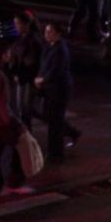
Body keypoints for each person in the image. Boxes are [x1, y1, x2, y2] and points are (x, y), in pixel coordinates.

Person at [0, 41, 33, 196]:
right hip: (1, 121)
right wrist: (14, 123)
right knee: (19, 146)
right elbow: (2, 104)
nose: (10, 56)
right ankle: (13, 180)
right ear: (2, 56)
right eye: (8, 53)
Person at [35, 22, 81, 162]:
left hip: (58, 89)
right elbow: (44, 65)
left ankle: (56, 153)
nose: (47, 34)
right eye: (46, 31)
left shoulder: (60, 50)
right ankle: (70, 135)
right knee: (51, 117)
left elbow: (56, 70)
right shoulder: (49, 47)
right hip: (50, 88)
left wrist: (42, 80)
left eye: (50, 32)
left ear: (58, 33)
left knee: (55, 120)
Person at [7, 11, 43, 129]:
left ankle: (27, 139)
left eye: (18, 23)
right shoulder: (20, 38)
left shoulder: (33, 40)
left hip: (28, 79)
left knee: (26, 110)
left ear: (25, 24)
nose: (16, 26)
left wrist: (18, 71)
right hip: (21, 78)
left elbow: (31, 62)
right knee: (23, 109)